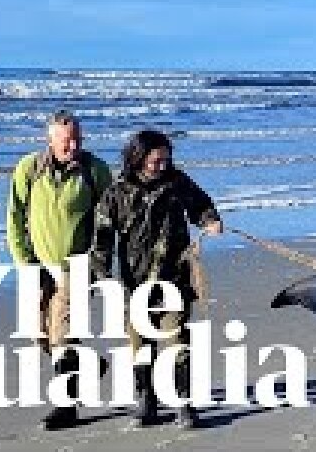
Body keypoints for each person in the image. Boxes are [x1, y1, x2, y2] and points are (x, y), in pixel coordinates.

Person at [91, 129, 222, 430]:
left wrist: (210, 220)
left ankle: (183, 403)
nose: (163, 165)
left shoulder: (177, 183)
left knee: (177, 340)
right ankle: (146, 399)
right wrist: (100, 274)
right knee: (140, 344)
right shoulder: (117, 192)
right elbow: (102, 236)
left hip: (174, 276)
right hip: (134, 283)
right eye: (156, 161)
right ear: (138, 158)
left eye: (167, 159)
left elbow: (200, 205)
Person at [6, 109, 113, 431]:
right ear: (49, 139)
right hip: (37, 266)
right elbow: (15, 216)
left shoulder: (95, 171)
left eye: (78, 139)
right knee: (42, 337)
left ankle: (66, 408)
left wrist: (98, 262)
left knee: (63, 337)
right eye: (67, 140)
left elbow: (109, 220)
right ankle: (92, 366)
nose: (73, 145)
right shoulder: (29, 168)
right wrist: (25, 261)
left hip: (77, 267)